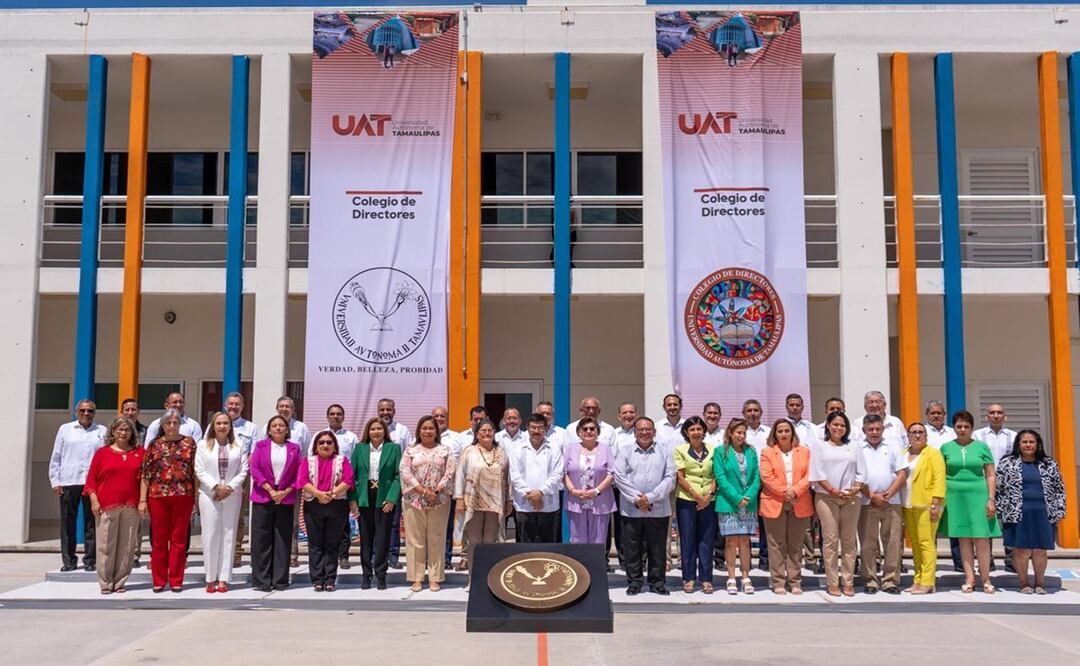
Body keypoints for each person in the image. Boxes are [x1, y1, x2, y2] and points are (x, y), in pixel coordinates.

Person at [996, 429, 1066, 594]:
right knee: (1021, 549)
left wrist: (1060, 510)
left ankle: (1040, 583)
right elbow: (998, 488)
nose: (1028, 445)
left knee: (1040, 549)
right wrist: (1000, 509)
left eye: (1031, 442)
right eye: (1024, 442)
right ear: (1018, 444)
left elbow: (1059, 489)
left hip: (1043, 511)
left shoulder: (1049, 463)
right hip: (1017, 511)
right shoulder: (1007, 462)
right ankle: (1024, 583)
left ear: (1037, 444)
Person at [940, 410, 1001, 593]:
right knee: (963, 539)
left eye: (966, 426)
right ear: (954, 428)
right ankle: (969, 578)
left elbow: (990, 475)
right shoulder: (946, 448)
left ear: (972, 428)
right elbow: (940, 474)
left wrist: (991, 498)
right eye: (959, 426)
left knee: (981, 539)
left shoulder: (982, 447)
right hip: (955, 497)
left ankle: (986, 579)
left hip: (979, 495)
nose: (963, 429)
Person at [614, 417, 676, 595]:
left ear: (654, 432)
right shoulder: (624, 450)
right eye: (640, 430)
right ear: (635, 433)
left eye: (648, 429)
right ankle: (634, 582)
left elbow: (670, 477)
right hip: (631, 509)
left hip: (658, 509)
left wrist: (650, 497)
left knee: (657, 548)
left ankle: (657, 583)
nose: (644, 433)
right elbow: (619, 477)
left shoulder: (664, 450)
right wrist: (637, 498)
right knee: (632, 548)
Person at [83, 417, 144, 593]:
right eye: (119, 429)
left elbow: (145, 479)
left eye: (126, 430)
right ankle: (106, 582)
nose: (123, 432)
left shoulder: (140, 453)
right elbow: (91, 480)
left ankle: (120, 581)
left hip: (131, 506)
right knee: (105, 545)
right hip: (106, 505)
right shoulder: (102, 453)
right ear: (113, 432)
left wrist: (142, 501)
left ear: (132, 433)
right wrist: (94, 500)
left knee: (127, 546)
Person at [810, 410, 866, 597]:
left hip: (851, 498)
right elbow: (817, 474)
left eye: (842, 425)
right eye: (835, 424)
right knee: (831, 541)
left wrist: (855, 489)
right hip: (827, 497)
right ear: (828, 425)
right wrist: (833, 491)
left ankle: (848, 581)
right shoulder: (819, 446)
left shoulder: (854, 446)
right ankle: (832, 582)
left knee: (849, 541)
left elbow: (861, 472)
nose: (839, 428)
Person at [140, 409, 197, 592]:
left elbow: (195, 472)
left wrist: (195, 497)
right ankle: (158, 579)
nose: (172, 426)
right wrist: (142, 500)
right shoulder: (154, 445)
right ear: (162, 425)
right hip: (158, 496)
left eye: (175, 423)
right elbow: (145, 475)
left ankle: (176, 579)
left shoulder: (189, 443)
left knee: (179, 540)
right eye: (168, 423)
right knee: (159, 540)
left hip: (183, 495)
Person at [49, 399, 107, 572]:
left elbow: (105, 458)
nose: (86, 414)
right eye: (83, 410)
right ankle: (69, 561)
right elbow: (56, 456)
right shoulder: (65, 429)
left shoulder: (102, 431)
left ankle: (90, 560)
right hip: (69, 481)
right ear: (76, 412)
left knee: (92, 523)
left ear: (94, 413)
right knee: (68, 523)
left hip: (93, 485)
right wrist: (55, 481)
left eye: (90, 411)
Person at [399, 415, 456, 592]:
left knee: (436, 538)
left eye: (431, 428)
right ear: (419, 430)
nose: (428, 431)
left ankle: (435, 578)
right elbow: (404, 471)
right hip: (414, 500)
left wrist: (436, 491)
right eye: (424, 428)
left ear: (436, 431)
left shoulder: (445, 450)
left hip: (439, 500)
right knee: (415, 539)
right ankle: (416, 578)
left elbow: (450, 472)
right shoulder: (410, 450)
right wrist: (423, 491)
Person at [194, 411, 248, 594]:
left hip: (232, 495)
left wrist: (229, 488)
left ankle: (224, 578)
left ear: (230, 426)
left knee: (228, 534)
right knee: (210, 535)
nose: (222, 426)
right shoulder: (203, 445)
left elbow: (243, 470)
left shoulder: (238, 445)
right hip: (209, 495)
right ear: (213, 425)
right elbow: (199, 470)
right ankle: (210, 578)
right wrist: (216, 487)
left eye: (226, 423)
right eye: (219, 423)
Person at [758, 419, 812, 595]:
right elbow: (766, 476)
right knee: (776, 544)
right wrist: (785, 492)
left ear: (792, 433)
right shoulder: (767, 452)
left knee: (795, 544)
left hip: (799, 501)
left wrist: (795, 491)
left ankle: (795, 581)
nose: (783, 434)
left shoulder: (804, 452)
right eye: (779, 431)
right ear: (774, 434)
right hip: (774, 501)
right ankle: (778, 581)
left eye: (786, 431)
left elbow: (809, 474)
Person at [857, 414, 909, 594]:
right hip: (866, 501)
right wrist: (871, 495)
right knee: (867, 543)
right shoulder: (858, 448)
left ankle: (890, 581)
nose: (874, 432)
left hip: (891, 501)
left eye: (878, 429)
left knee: (893, 542)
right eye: (870, 429)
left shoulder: (893, 446)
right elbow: (856, 476)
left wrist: (887, 494)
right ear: (864, 430)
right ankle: (870, 580)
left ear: (883, 429)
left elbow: (902, 473)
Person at [454, 418, 511, 583]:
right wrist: (459, 499)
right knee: (475, 541)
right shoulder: (469, 451)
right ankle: (474, 577)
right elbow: (460, 476)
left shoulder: (501, 452)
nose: (487, 434)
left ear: (494, 433)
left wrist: (509, 500)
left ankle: (488, 577)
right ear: (476, 434)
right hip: (473, 501)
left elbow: (508, 477)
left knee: (490, 541)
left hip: (495, 503)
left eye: (490, 431)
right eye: (483, 431)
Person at [249, 415, 301, 592]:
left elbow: (298, 474)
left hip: (285, 497)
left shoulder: (294, 448)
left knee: (282, 539)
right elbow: (254, 469)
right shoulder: (260, 446)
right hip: (263, 496)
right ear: (269, 430)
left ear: (287, 429)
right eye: (274, 426)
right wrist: (270, 491)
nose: (278, 428)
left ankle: (280, 580)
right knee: (261, 539)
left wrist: (285, 491)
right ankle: (262, 580)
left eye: (281, 425)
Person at [297, 430, 354, 592]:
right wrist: (319, 494)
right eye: (321, 442)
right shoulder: (307, 461)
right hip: (313, 504)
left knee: (332, 543)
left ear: (335, 445)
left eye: (329, 442)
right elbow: (302, 480)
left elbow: (348, 480)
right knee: (315, 544)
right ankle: (317, 579)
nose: (325, 445)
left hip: (336, 505)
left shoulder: (342, 461)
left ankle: (330, 579)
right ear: (315, 446)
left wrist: (332, 494)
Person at [348, 417, 401, 590]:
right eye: (372, 429)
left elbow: (398, 475)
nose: (376, 432)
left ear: (384, 431)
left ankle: (381, 574)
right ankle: (366, 574)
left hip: (384, 498)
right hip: (365, 497)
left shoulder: (393, 448)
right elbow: (352, 476)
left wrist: (392, 498)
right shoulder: (360, 448)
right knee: (366, 538)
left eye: (379, 429)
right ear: (367, 432)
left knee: (383, 537)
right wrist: (353, 500)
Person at [714, 418, 760, 594]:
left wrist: (748, 496)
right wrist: (736, 497)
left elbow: (756, 475)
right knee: (731, 541)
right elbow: (720, 477)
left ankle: (746, 576)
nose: (741, 436)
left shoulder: (751, 451)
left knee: (745, 541)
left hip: (748, 503)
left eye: (744, 433)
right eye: (738, 432)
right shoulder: (721, 452)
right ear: (730, 434)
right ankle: (731, 577)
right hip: (728, 503)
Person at [901, 422, 946, 594]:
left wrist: (936, 503)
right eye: (913, 432)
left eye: (921, 432)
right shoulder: (903, 454)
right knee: (915, 544)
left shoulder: (933, 454)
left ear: (926, 436)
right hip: (908, 503)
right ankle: (918, 579)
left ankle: (928, 582)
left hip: (927, 504)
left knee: (926, 542)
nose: (917, 435)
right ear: (908, 435)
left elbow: (939, 478)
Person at [673, 416, 716, 594]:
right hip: (686, 500)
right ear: (686, 433)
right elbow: (680, 477)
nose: (696, 433)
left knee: (706, 540)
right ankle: (688, 578)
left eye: (699, 429)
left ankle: (706, 579)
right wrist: (697, 496)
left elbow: (716, 474)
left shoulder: (714, 449)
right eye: (692, 430)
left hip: (709, 500)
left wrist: (709, 495)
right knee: (688, 539)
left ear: (704, 431)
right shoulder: (680, 450)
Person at [509, 413, 565, 543]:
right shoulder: (518, 449)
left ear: (546, 429)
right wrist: (531, 494)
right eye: (533, 427)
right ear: (527, 428)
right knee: (525, 547)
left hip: (548, 506)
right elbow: (514, 475)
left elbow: (557, 474)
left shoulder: (554, 449)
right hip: (524, 505)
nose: (536, 431)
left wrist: (540, 492)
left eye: (540, 428)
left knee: (548, 547)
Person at [564, 417, 616, 545]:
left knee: (598, 540)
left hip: (600, 501)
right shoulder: (571, 449)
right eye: (585, 429)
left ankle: (596, 565)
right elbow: (563, 472)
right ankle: (578, 565)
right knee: (577, 540)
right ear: (579, 432)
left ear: (597, 432)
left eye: (592, 429)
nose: (588, 431)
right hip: (576, 500)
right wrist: (573, 491)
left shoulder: (605, 449)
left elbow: (611, 473)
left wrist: (597, 491)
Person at [224, 392, 257, 569]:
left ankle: (236, 552)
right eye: (231, 404)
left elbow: (253, 453)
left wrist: (242, 472)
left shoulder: (250, 428)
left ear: (242, 407)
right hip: (219, 475)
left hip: (241, 476)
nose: (234, 407)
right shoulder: (216, 424)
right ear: (225, 405)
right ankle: (220, 550)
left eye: (237, 404)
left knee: (238, 514)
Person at [324, 404, 359, 571]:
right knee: (324, 524)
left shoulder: (351, 437)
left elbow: (355, 462)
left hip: (343, 487)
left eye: (339, 414)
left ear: (343, 417)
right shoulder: (320, 436)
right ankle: (326, 556)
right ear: (327, 416)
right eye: (332, 414)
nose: (335, 416)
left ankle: (344, 556)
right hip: (322, 489)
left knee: (344, 524)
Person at [378, 397, 411, 569]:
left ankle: (393, 556)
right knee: (376, 522)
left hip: (395, 483)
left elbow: (408, 457)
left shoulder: (402, 431)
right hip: (375, 484)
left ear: (394, 411)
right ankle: (377, 555)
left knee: (393, 521)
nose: (385, 413)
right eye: (382, 410)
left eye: (388, 409)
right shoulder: (373, 428)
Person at [741, 399, 771, 571]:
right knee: (745, 523)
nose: (752, 413)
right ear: (743, 413)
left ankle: (765, 559)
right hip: (745, 485)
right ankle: (746, 560)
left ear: (761, 412)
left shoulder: (768, 432)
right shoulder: (739, 432)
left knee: (765, 523)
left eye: (755, 410)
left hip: (766, 484)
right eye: (749, 410)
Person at [609, 402, 638, 570]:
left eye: (631, 412)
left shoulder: (642, 432)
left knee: (637, 524)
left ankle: (639, 559)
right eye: (624, 412)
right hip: (617, 486)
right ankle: (624, 560)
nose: (628, 415)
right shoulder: (613, 434)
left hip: (638, 487)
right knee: (620, 525)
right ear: (619, 416)